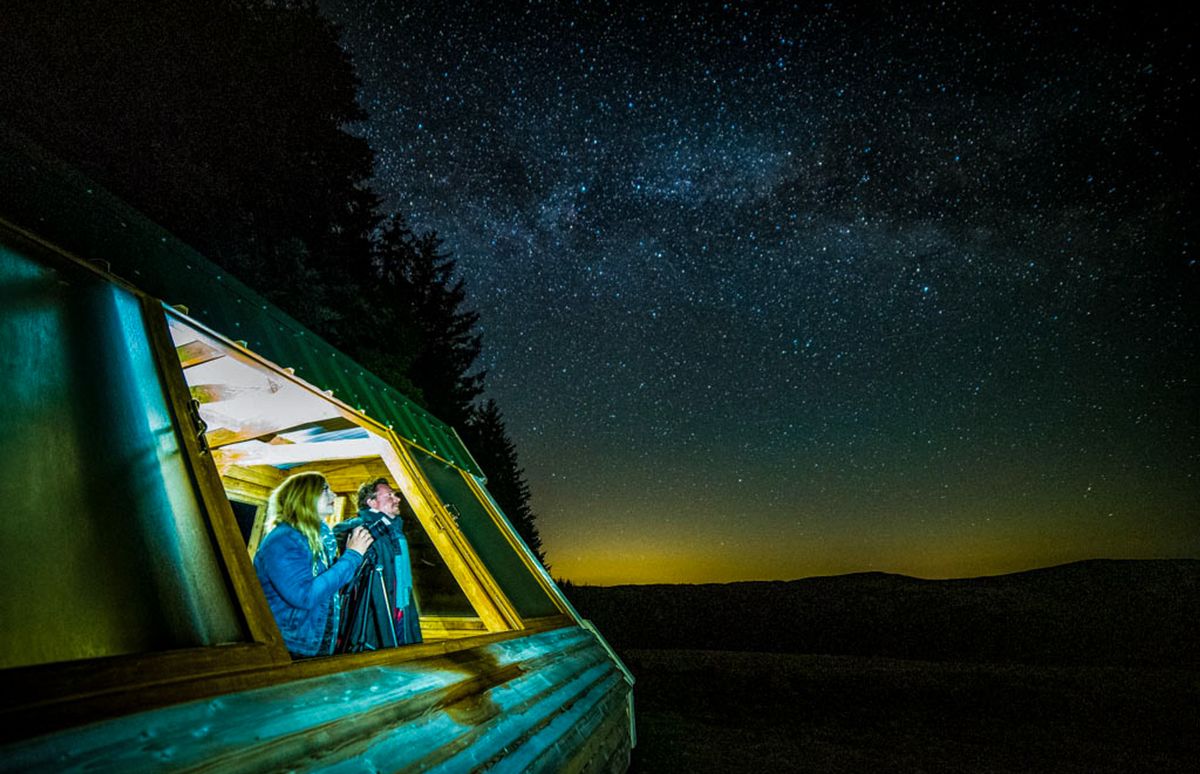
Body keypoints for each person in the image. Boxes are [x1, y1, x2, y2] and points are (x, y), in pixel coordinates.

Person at [254, 472, 374, 658]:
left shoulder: (319, 539)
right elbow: (305, 596)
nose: (334, 495)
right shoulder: (284, 540)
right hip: (290, 646)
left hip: (312, 643)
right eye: (326, 489)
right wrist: (352, 555)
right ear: (303, 495)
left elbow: (327, 590)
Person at [333, 478, 422, 652]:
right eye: (389, 495)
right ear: (372, 502)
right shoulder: (362, 529)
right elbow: (338, 537)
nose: (397, 499)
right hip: (373, 613)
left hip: (400, 609)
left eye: (395, 495)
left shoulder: (395, 532)